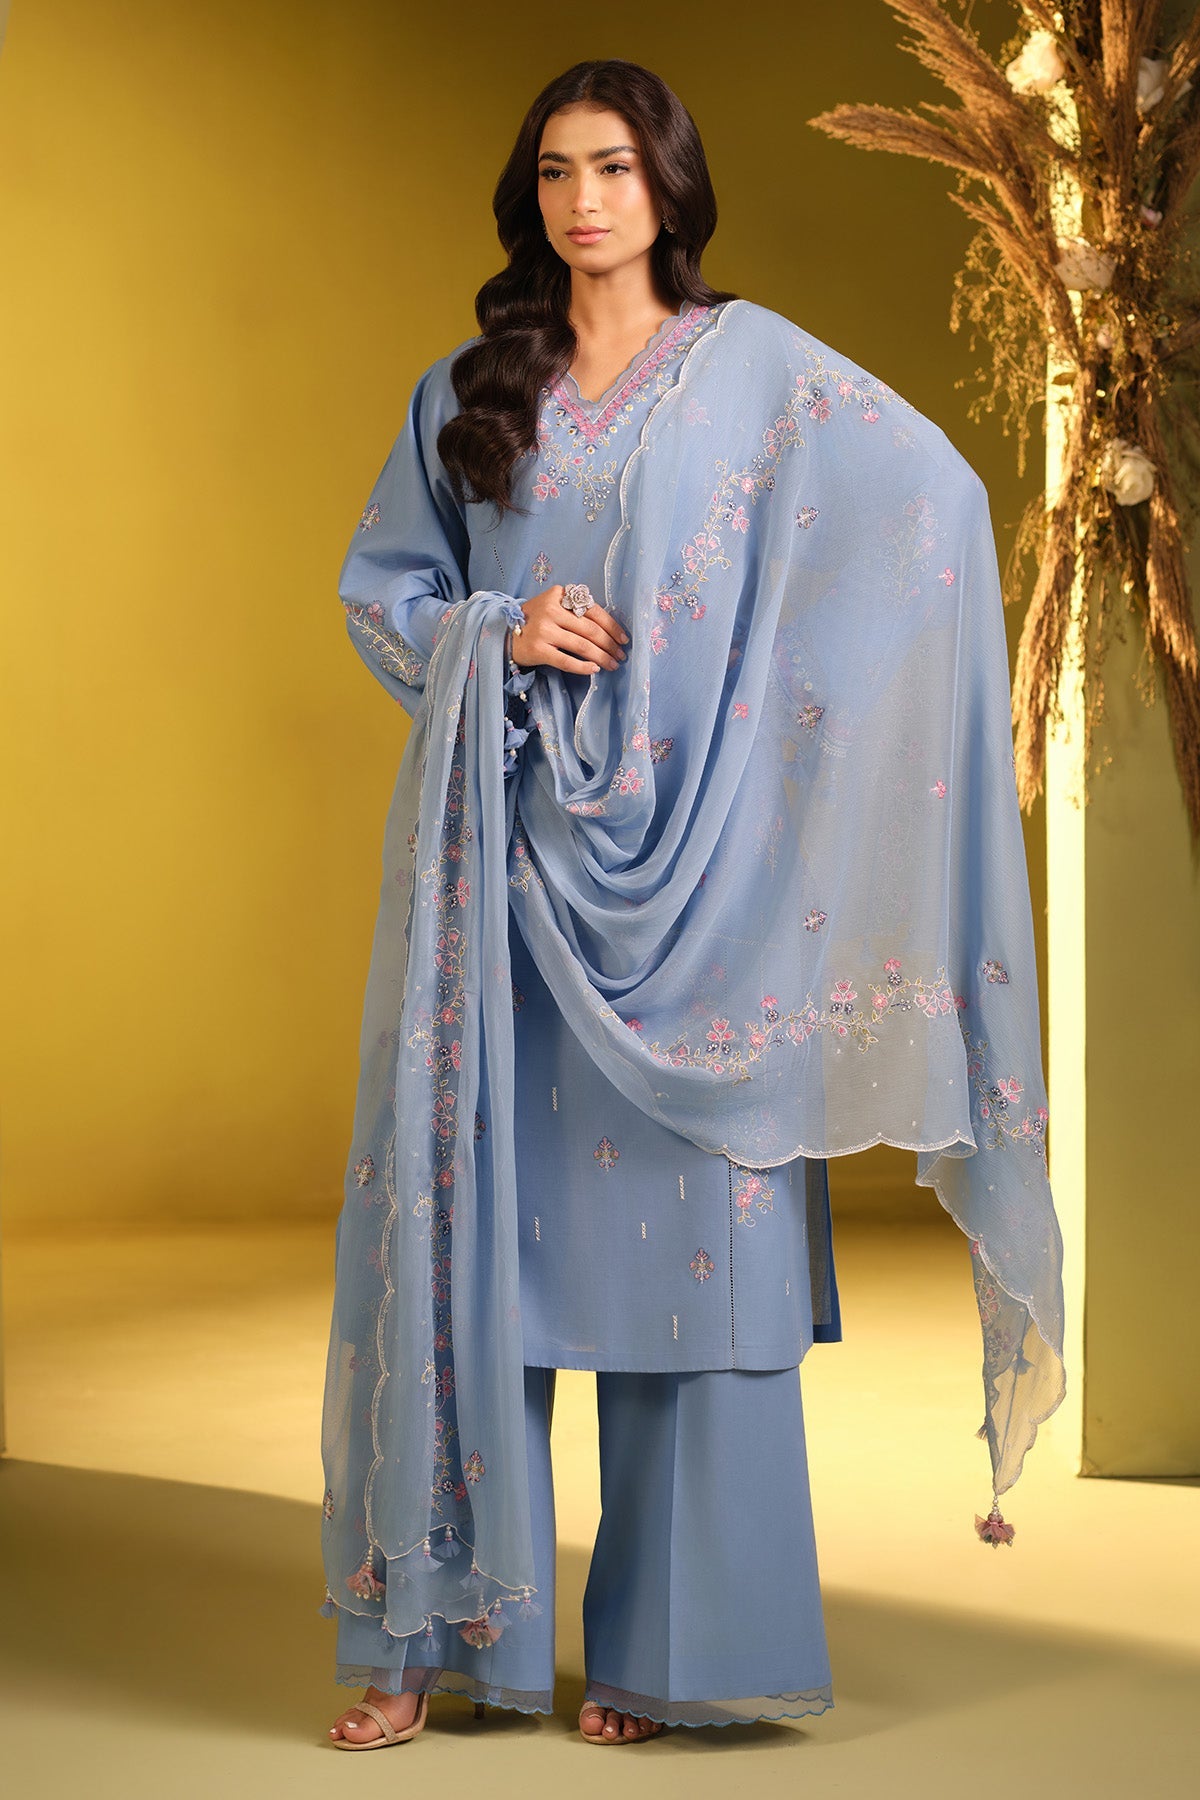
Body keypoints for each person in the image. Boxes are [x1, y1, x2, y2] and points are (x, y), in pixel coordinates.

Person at [319, 59, 1065, 1750]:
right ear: (531, 196)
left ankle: (668, 1657)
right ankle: (439, 1636)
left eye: (615, 169)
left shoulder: (762, 373)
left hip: (705, 909)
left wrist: (779, 747)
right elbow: (384, 595)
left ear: (668, 186)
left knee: (694, 1271)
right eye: (558, 172)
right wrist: (497, 629)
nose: (587, 201)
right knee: (474, 1254)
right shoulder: (470, 391)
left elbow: (931, 510)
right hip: (507, 882)